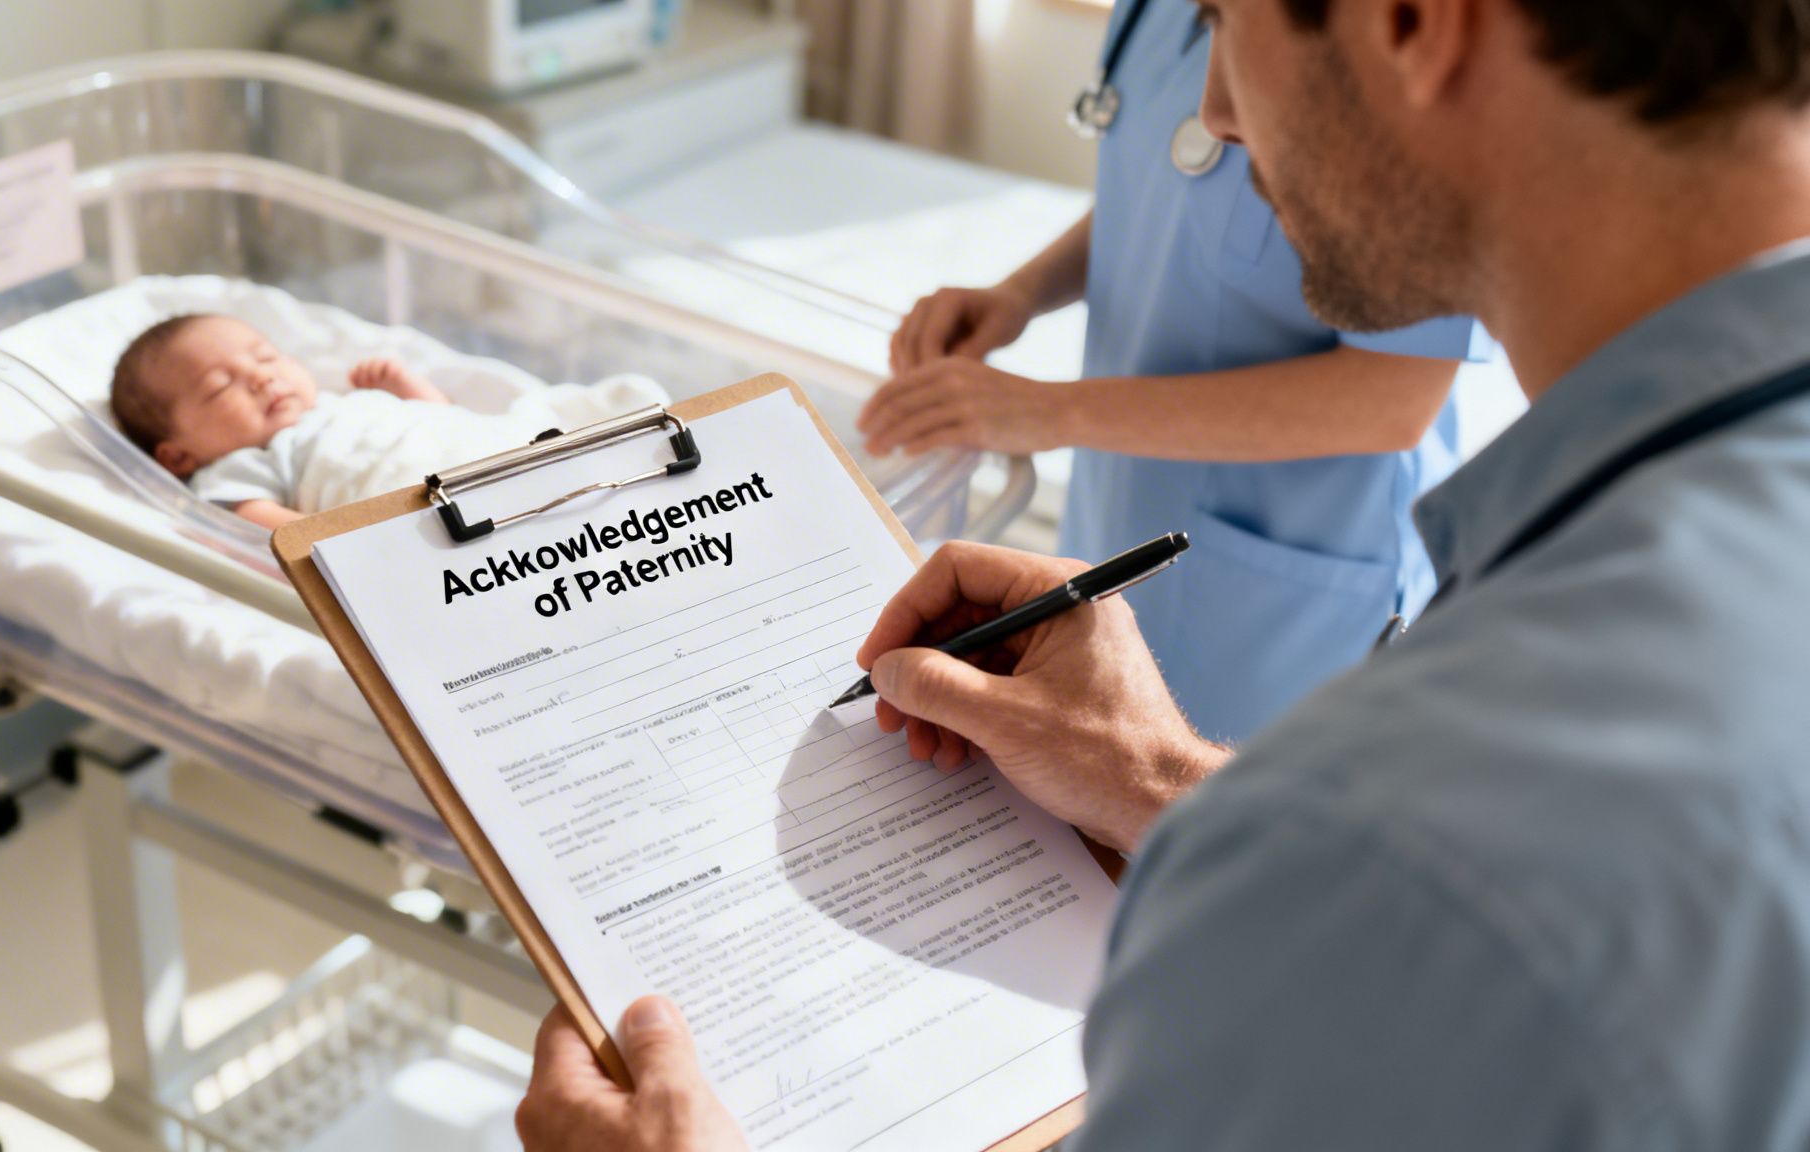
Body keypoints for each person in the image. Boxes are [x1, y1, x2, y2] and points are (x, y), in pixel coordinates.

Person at [517, 0, 1810, 1147]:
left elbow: (1450, 914)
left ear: (1415, 20)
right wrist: (1176, 790)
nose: (1213, 117)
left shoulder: (1409, 845)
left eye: (1230, 26)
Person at [857, 0, 1491, 745]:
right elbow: (1156, 184)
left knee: (1231, 828)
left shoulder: (1391, 48)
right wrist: (1021, 294)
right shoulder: (1159, 12)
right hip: (1125, 503)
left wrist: (1050, 413)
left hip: (1286, 592)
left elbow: (1391, 398)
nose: (1219, 112)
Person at [109, 314, 662, 529]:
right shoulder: (240, 466)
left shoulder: (342, 402)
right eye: (219, 386)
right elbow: (255, 523)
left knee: (542, 446)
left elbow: (439, 420)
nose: (260, 378)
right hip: (416, 494)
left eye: (264, 356)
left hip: (481, 446)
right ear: (178, 454)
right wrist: (331, 541)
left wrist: (406, 389)